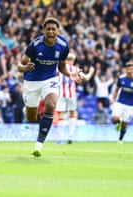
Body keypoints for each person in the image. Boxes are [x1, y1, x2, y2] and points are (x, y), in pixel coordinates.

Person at [18, 17, 82, 157]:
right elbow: (20, 66)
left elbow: (62, 66)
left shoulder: (63, 46)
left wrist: (69, 75)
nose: (51, 32)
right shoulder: (35, 45)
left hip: (51, 79)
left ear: (58, 31)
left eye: (54, 29)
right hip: (32, 81)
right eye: (48, 29)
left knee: (51, 104)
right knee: (31, 117)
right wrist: (25, 68)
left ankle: (39, 144)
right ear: (43, 30)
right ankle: (27, 109)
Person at [56, 52, 95, 144]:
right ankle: (71, 136)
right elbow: (86, 78)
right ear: (73, 61)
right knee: (72, 114)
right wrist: (91, 72)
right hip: (71, 94)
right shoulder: (76, 69)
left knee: (61, 116)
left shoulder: (59, 69)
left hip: (61, 94)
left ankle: (60, 138)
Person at [109, 61, 133, 143]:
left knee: (124, 124)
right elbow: (116, 90)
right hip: (120, 102)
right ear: (125, 69)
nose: (129, 71)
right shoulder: (121, 78)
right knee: (114, 119)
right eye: (128, 69)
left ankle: (120, 139)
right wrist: (113, 98)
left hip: (131, 106)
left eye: (131, 69)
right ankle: (118, 123)